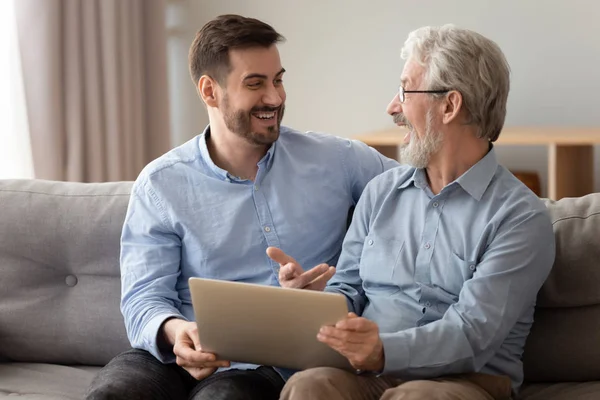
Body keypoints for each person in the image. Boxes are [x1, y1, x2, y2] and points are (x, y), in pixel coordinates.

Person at [85, 14, 398, 400]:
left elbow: (421, 194)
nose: (275, 97)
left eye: (278, 80)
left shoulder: (340, 160)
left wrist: (339, 291)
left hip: (263, 367)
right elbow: (144, 298)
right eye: (255, 84)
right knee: (115, 395)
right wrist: (176, 331)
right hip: (174, 355)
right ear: (209, 91)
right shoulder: (161, 183)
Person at [270, 25, 555, 400]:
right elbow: (348, 290)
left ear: (450, 105)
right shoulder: (380, 194)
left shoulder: (519, 217)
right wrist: (313, 304)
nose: (393, 107)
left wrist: (384, 350)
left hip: (466, 380)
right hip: (367, 372)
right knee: (310, 385)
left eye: (405, 89)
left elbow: (472, 334)